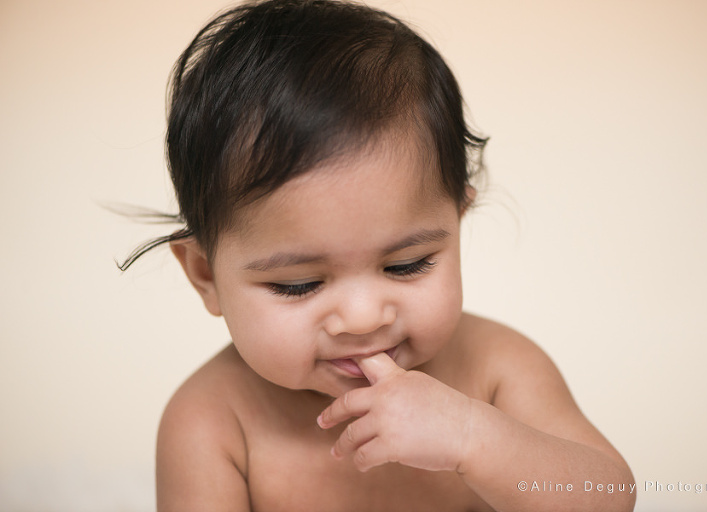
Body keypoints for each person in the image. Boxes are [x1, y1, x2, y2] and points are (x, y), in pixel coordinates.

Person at [123, 1, 635, 510]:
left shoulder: (496, 369)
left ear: (457, 221)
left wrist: (475, 437)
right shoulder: (213, 422)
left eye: (406, 265)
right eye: (299, 283)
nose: (363, 317)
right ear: (205, 274)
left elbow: (611, 496)